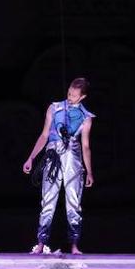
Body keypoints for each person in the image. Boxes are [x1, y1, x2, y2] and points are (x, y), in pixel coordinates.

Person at [22, 78, 94, 254]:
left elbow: (85, 146)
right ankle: (40, 243)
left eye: (75, 96)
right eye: (69, 93)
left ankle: (75, 245)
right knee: (48, 199)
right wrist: (31, 157)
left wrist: (90, 171)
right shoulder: (54, 108)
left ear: (82, 96)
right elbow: (45, 134)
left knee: (74, 201)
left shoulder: (86, 118)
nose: (70, 97)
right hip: (53, 155)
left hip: (73, 158)